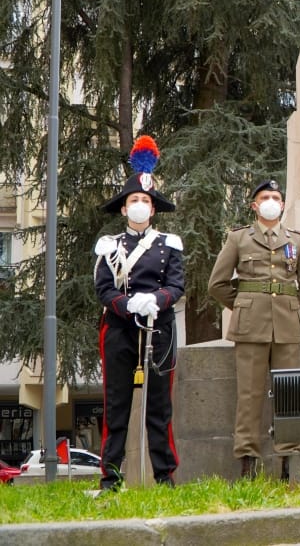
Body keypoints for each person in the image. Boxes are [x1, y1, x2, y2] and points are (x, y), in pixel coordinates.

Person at [208, 179, 300, 480]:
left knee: (290, 393)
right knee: (249, 395)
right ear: (254, 205)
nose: (271, 201)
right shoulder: (238, 238)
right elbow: (217, 284)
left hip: (286, 327)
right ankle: (248, 462)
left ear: (282, 205)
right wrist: (245, 305)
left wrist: (287, 306)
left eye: (276, 197)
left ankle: (288, 461)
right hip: (250, 327)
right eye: (265, 197)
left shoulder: (298, 241)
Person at [93, 136, 183, 491]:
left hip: (159, 329)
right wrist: (127, 304)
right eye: (134, 200)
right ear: (123, 208)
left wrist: (156, 300)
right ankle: (110, 478)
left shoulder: (169, 244)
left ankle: (165, 476)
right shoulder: (110, 246)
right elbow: (104, 288)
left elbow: (177, 285)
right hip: (120, 329)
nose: (140, 205)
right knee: (115, 406)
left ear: (154, 208)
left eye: (146, 201)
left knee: (159, 408)